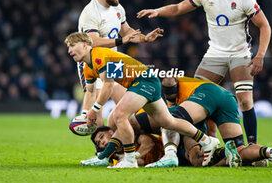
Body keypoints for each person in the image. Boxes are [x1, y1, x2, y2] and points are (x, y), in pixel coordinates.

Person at [137, 0, 272, 145]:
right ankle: (211, 140)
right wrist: (158, 11)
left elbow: (265, 25)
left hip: (239, 53)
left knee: (245, 101)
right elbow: (178, 8)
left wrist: (260, 55)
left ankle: (253, 146)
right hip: (215, 53)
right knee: (200, 97)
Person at [65, 32, 220, 168]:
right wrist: (86, 113)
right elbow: (90, 91)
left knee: (119, 115)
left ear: (85, 45)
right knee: (168, 122)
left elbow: (108, 85)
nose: (69, 50)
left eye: (72, 45)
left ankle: (130, 159)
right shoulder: (87, 68)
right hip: (145, 81)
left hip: (142, 81)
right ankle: (207, 141)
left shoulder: (98, 56)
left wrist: (95, 109)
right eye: (68, 48)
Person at [145, 77, 272, 168]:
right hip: (225, 98)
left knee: (170, 120)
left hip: (207, 95)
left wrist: (170, 101)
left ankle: (170, 156)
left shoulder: (178, 100)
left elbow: (169, 80)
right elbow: (211, 133)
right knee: (240, 148)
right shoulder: (191, 101)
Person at [77, 0, 163, 126]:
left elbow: (126, 32)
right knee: (97, 107)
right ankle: (100, 147)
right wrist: (120, 41)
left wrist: (144, 39)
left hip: (113, 60)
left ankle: (120, 144)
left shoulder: (117, 8)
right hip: (93, 62)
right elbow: (93, 42)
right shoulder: (90, 13)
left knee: (126, 105)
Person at [88, 126, 164, 166]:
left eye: (102, 137)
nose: (102, 142)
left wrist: (132, 157)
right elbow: (141, 162)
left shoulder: (129, 136)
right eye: (99, 143)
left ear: (111, 132)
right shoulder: (115, 158)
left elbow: (148, 142)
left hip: (169, 150)